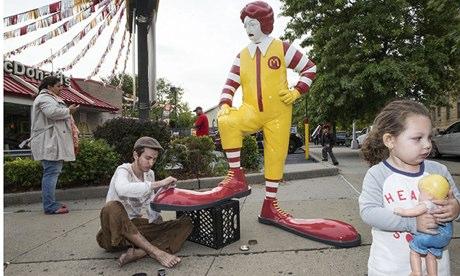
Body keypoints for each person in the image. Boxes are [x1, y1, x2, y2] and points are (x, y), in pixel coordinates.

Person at [153, 1, 360, 247]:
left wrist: (297, 91)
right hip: (251, 110)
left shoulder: (282, 48)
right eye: (245, 25)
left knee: (275, 157)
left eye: (252, 23)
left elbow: (310, 68)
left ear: (264, 23)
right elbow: (229, 84)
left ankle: (270, 206)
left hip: (279, 113)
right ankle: (235, 176)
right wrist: (225, 103)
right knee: (227, 120)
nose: (248, 28)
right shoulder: (242, 55)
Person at [359, 99, 460, 275]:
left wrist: (455, 209)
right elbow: (369, 212)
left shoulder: (439, 170)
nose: (427, 144)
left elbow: (456, 200)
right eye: (417, 138)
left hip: (436, 268)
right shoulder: (377, 174)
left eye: (429, 137)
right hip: (391, 267)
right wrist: (412, 223)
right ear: (390, 140)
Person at [96, 137, 193, 268]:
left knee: (185, 223)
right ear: (136, 155)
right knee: (112, 207)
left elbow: (149, 203)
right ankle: (156, 252)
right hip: (113, 235)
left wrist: (158, 219)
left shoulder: (149, 174)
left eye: (154, 159)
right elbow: (122, 189)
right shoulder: (123, 170)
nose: (151, 162)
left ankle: (140, 252)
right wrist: (159, 183)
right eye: (148, 158)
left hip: (134, 230)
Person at [30, 75, 80, 215]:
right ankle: (50, 206)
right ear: (49, 87)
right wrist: (68, 111)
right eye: (58, 86)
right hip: (49, 142)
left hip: (51, 141)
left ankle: (51, 203)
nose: (61, 88)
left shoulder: (49, 98)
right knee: (51, 172)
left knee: (52, 172)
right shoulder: (44, 98)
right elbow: (52, 113)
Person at [393, 174, 452, 276]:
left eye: (421, 193)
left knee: (414, 250)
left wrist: (403, 212)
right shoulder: (444, 204)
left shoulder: (428, 203)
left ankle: (416, 271)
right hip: (443, 238)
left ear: (429, 195)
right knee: (431, 255)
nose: (419, 196)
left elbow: (416, 211)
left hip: (429, 236)